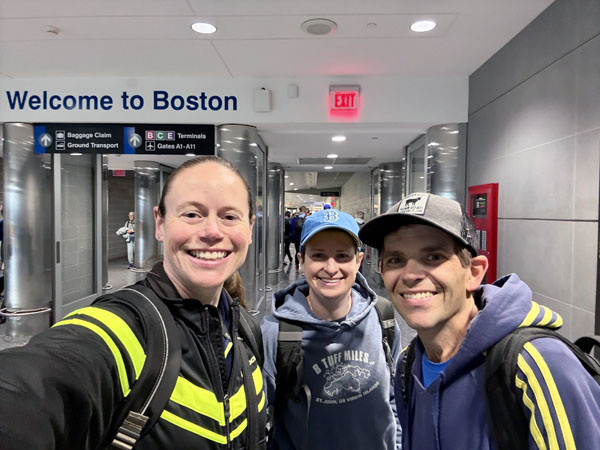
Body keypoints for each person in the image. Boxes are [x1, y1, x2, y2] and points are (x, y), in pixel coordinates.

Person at [0, 156, 267, 450]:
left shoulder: (245, 331)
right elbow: (33, 386)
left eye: (230, 216)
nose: (212, 231)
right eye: (191, 214)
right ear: (160, 224)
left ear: (250, 228)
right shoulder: (121, 329)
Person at [358, 192, 600, 449]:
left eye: (434, 257)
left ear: (474, 272)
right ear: (382, 271)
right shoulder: (409, 365)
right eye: (396, 260)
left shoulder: (538, 364)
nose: (410, 275)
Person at [262, 208, 402, 450]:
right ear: (301, 260)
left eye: (342, 256)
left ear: (358, 261)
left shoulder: (382, 316)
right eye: (318, 255)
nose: (330, 267)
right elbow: (262, 419)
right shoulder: (277, 333)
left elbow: (395, 397)